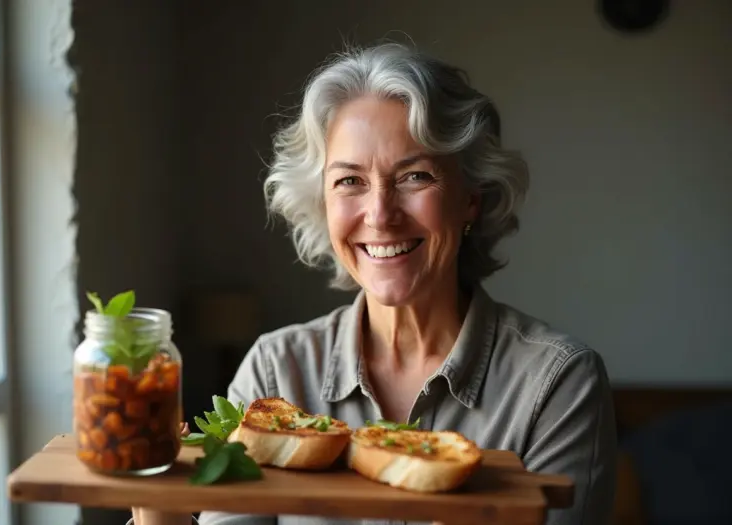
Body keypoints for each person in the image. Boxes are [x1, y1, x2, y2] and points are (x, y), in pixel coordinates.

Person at [132, 42, 617, 525]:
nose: (381, 215)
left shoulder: (557, 384)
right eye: (350, 181)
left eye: (415, 176)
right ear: (322, 203)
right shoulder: (275, 374)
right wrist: (153, 496)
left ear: (472, 198)